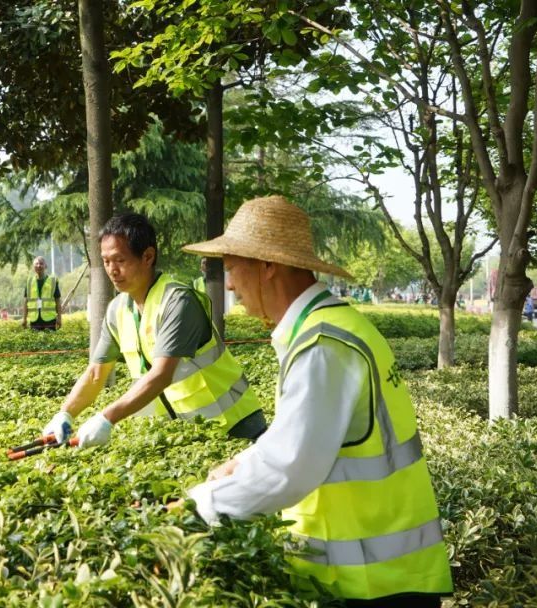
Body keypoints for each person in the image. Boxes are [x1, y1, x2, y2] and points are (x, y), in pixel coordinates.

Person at [180, 195, 452, 607]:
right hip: (377, 578)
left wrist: (199, 507)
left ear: (268, 266)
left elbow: (290, 466)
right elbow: (307, 440)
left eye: (232, 266)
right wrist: (244, 463)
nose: (229, 283)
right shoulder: (330, 329)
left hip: (372, 587)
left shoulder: (324, 344)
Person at [42, 213, 266, 449]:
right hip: (193, 436)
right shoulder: (117, 310)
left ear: (148, 256)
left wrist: (106, 417)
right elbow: (96, 373)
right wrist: (65, 414)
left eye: (119, 260)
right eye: (106, 261)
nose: (112, 270)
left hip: (236, 426)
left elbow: (161, 375)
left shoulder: (178, 301)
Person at [22, 256, 62, 331]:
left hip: (50, 319)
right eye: (36, 264)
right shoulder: (29, 282)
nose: (39, 266)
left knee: (50, 342)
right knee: (35, 342)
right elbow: (25, 302)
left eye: (41, 263)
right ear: (33, 267)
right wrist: (24, 319)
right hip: (35, 320)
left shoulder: (53, 281)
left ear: (45, 266)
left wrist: (59, 318)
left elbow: (58, 301)